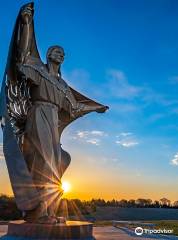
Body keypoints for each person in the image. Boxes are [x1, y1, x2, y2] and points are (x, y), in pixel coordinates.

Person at [0, 2, 108, 224]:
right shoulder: (36, 68)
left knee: (59, 160)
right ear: (49, 54)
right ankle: (39, 212)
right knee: (43, 159)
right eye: (56, 50)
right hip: (38, 114)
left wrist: (96, 108)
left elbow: (75, 107)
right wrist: (27, 22)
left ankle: (48, 210)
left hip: (52, 119)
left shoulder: (64, 86)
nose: (60, 54)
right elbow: (24, 51)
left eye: (63, 53)